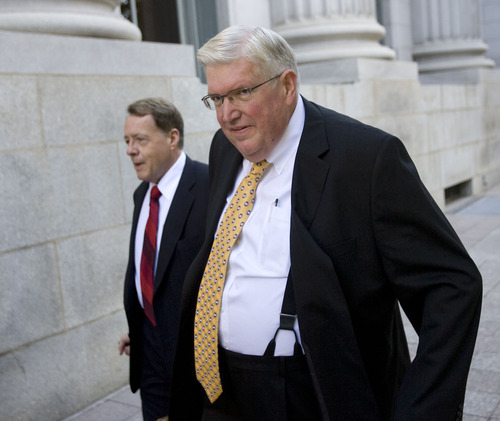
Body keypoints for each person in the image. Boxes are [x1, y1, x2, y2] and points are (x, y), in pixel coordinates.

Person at [169, 26, 482, 421]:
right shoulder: (225, 148)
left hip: (315, 395)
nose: (227, 114)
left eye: (242, 93)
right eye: (216, 98)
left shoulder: (366, 159)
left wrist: (422, 408)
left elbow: (451, 286)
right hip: (220, 394)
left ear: (287, 85)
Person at [118, 97, 209, 421]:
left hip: (197, 363)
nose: (130, 150)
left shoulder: (210, 185)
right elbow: (150, 273)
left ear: (172, 138)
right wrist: (143, 323)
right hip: (149, 355)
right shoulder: (142, 194)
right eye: (128, 141)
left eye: (140, 140)